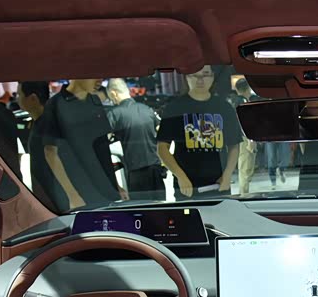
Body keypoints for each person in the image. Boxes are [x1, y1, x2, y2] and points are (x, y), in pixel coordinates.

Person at [157, 66, 241, 199]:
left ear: (212, 77)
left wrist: (227, 175)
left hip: (219, 184)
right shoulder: (174, 108)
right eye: (195, 75)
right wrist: (180, 176)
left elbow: (234, 145)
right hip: (186, 187)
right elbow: (162, 148)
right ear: (187, 77)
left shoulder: (224, 108)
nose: (200, 80)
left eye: (205, 74)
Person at [41, 79, 123, 209]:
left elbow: (103, 149)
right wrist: (72, 195)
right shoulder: (55, 104)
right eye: (94, 75)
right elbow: (50, 153)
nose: (100, 80)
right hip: (81, 193)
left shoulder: (95, 101)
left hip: (108, 191)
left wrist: (116, 186)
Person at [106, 78, 166, 201]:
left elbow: (103, 142)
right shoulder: (147, 109)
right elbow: (163, 134)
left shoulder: (114, 114)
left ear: (113, 93)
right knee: (160, 207)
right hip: (156, 169)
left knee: (140, 209)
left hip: (135, 172)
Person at [17, 81, 67, 211]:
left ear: (33, 98)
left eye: (19, 94)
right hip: (47, 197)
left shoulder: (48, 123)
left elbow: (55, 158)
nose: (17, 99)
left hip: (56, 200)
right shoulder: (41, 122)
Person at [233, 78, 260, 195]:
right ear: (247, 88)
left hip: (243, 137)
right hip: (245, 138)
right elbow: (245, 123)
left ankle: (244, 192)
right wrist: (250, 139)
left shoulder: (235, 101)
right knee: (245, 168)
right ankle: (244, 194)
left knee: (246, 167)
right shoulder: (242, 102)